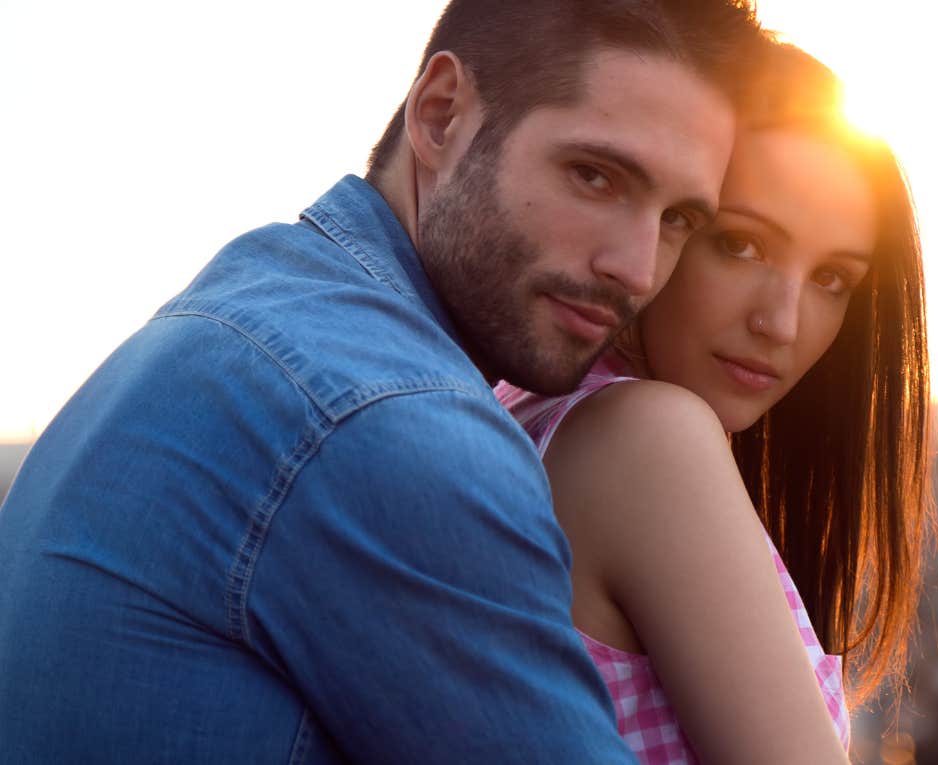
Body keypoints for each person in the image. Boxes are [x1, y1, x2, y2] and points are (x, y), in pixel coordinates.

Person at [0, 2, 767, 762]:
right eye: (595, 176)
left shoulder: (255, 303)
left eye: (678, 221)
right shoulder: (391, 425)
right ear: (440, 116)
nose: (635, 269)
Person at [496, 44, 938, 765]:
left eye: (832, 278)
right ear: (667, 219)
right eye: (740, 244)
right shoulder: (645, 440)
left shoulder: (534, 408)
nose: (782, 322)